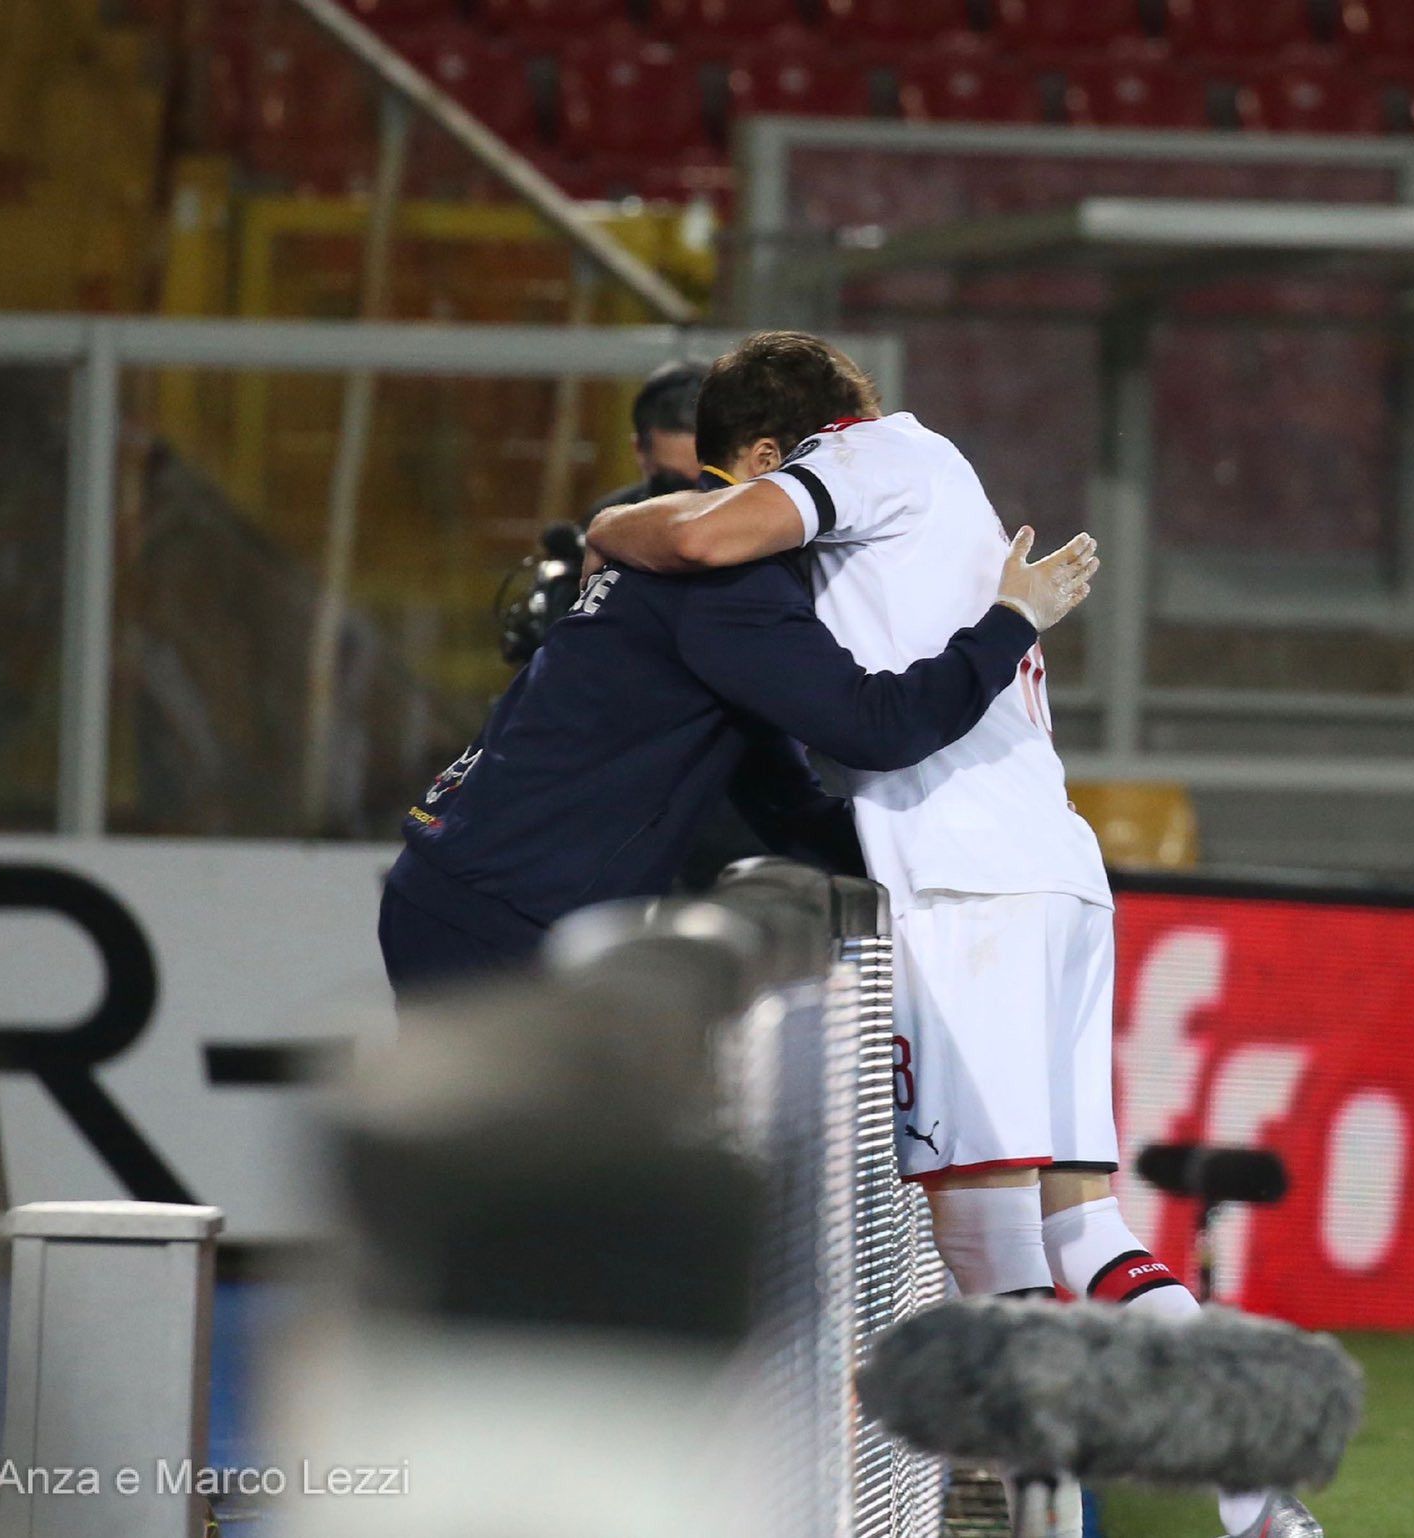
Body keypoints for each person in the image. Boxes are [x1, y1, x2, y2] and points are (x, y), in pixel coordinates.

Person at [586, 332, 1320, 1538]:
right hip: (1052, 873)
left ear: (770, 452)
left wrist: (612, 524)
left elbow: (710, 538)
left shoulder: (867, 458)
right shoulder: (934, 485)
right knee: (1082, 1226)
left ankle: (1048, 1522)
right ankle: (1259, 1503)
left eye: (734, 475)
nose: (733, 502)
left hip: (966, 889)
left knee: (987, 1254)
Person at [377, 364, 1100, 1003]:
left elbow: (779, 796)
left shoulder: (683, 562)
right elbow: (876, 727)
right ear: (768, 460)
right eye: (846, 450)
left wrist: (926, 851)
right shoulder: (726, 583)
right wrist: (1010, 621)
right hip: (499, 915)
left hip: (478, 894)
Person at [585, 360, 704, 517]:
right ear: (639, 451)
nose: (696, 499)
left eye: (713, 482)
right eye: (675, 484)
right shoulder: (611, 522)